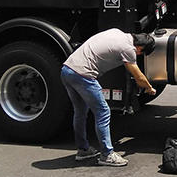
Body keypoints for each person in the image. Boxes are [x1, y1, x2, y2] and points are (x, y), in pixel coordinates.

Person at [60, 29, 157, 166]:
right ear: (140, 48)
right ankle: (107, 155)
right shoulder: (128, 49)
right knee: (103, 112)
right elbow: (138, 77)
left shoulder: (117, 32)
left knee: (80, 111)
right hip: (83, 75)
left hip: (67, 70)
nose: (138, 55)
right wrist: (149, 88)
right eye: (141, 53)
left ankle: (83, 150)